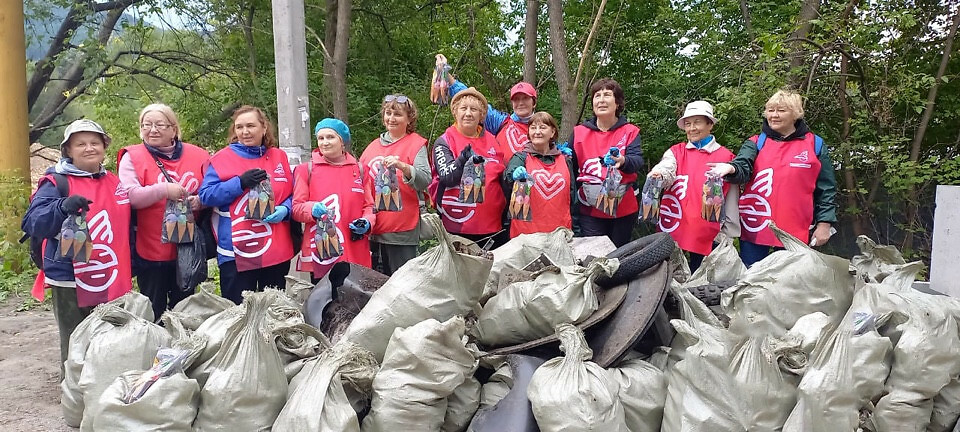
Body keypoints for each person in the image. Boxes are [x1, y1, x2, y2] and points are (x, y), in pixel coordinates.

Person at [22, 119, 133, 372]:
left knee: (111, 340)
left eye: (95, 142)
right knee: (76, 342)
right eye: (80, 144)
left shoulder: (113, 181)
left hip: (111, 275)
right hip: (70, 277)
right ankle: (75, 397)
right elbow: (33, 222)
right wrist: (61, 206)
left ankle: (104, 392)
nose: (89, 148)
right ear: (68, 150)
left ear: (104, 147)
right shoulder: (55, 182)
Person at [706, 89, 838, 266]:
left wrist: (824, 224)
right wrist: (731, 168)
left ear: (795, 114)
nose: (774, 115)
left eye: (781, 110)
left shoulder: (815, 145)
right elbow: (743, 165)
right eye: (770, 110)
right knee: (751, 281)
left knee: (790, 283)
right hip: (755, 226)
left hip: (795, 231)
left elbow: (826, 188)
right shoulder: (756, 142)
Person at [117, 103, 210, 320]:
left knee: (185, 308)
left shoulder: (199, 155)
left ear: (174, 129)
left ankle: (183, 350)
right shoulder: (132, 156)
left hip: (187, 248)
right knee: (153, 307)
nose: (152, 130)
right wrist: (163, 190)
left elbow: (212, 190)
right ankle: (154, 350)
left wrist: (200, 202)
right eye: (146, 125)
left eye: (160, 124)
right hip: (150, 246)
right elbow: (129, 196)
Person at [198, 105, 294, 303]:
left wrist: (286, 209)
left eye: (250, 125)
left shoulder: (279, 156)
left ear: (264, 128)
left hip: (275, 248)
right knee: (239, 315)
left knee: (274, 312)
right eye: (239, 127)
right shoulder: (221, 159)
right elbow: (206, 196)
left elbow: (294, 193)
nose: (245, 132)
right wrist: (239, 183)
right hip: (237, 250)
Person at [647, 101, 739, 272]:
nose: (692, 128)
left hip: (707, 233)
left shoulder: (725, 156)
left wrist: (728, 232)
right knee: (669, 278)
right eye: (688, 124)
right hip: (674, 226)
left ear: (710, 124)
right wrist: (658, 175)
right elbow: (667, 169)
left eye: (697, 122)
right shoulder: (676, 152)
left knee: (701, 282)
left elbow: (731, 198)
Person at [293, 118, 376, 280]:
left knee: (355, 301)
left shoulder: (360, 169)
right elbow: (296, 209)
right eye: (321, 138)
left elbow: (369, 206)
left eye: (330, 137)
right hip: (323, 250)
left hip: (355, 248)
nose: (325, 142)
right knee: (324, 301)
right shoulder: (305, 170)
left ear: (342, 141)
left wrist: (367, 222)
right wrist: (312, 209)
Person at [359, 95, 430, 275]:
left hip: (402, 231)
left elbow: (424, 180)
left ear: (409, 119)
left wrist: (403, 167)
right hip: (373, 228)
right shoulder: (372, 147)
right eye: (388, 113)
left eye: (397, 114)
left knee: (403, 282)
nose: (391, 118)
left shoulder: (416, 144)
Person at [570, 78, 644, 247]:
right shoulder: (579, 133)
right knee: (594, 257)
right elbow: (571, 170)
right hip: (589, 209)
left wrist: (623, 161)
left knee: (619, 257)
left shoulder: (630, 131)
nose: (601, 100)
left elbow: (637, 161)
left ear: (617, 103)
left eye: (607, 95)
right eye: (597, 96)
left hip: (623, 207)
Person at [431, 87, 508, 248]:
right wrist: (462, 159)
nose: (468, 113)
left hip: (492, 226)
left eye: (474, 109)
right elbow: (447, 177)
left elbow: (500, 177)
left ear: (481, 115)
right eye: (463, 108)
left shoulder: (494, 141)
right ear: (455, 112)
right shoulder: (444, 141)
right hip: (456, 225)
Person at [440, 54, 537, 159]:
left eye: (525, 98)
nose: (521, 103)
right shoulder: (501, 122)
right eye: (516, 99)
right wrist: (445, 73)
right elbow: (471, 99)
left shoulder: (543, 127)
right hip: (502, 174)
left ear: (534, 102)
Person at [502, 111, 576, 237]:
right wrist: (513, 174)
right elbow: (508, 176)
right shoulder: (521, 157)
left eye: (542, 127)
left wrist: (577, 230)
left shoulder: (565, 161)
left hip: (559, 231)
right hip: (525, 234)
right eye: (533, 128)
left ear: (552, 132)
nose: (537, 132)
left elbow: (573, 197)